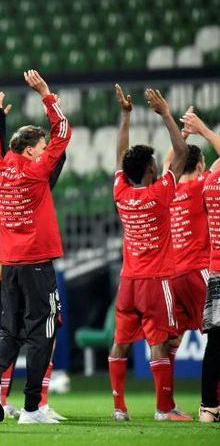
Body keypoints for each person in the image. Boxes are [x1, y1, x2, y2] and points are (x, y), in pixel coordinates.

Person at [0, 69, 71, 424]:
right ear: (32, 150)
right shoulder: (37, 172)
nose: (45, 151)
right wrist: (46, 94)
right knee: (42, 330)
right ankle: (32, 408)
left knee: (9, 329)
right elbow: (63, 133)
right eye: (42, 148)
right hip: (37, 263)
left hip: (10, 264)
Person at [107, 85, 191, 422]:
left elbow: (119, 157)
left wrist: (125, 117)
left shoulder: (121, 193)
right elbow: (183, 154)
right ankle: (163, 408)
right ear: (153, 171)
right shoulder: (159, 195)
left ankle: (119, 408)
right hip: (156, 282)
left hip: (127, 281)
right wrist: (166, 115)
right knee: (158, 341)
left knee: (121, 343)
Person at [161, 106, 220, 418]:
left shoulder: (167, 190)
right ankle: (213, 404)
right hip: (200, 270)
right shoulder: (201, 187)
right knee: (217, 340)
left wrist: (181, 135)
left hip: (173, 274)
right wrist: (200, 131)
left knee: (173, 340)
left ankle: (166, 404)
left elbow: (169, 161)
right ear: (201, 165)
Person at [181, 111, 220, 423]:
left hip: (214, 268)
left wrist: (187, 135)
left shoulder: (208, 186)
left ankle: (208, 408)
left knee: (216, 342)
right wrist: (204, 130)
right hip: (208, 269)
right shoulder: (205, 182)